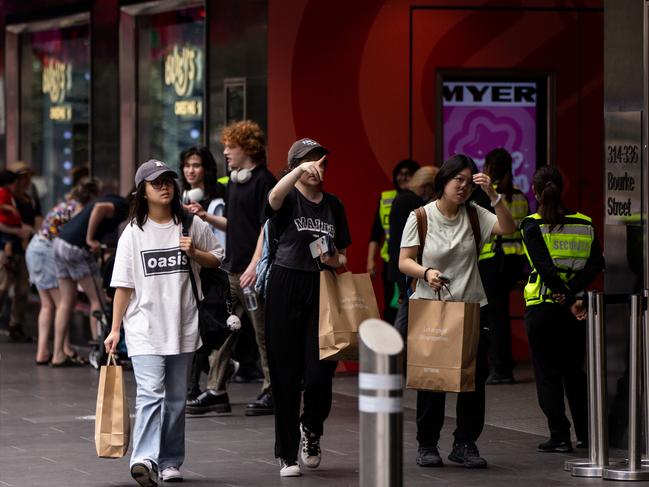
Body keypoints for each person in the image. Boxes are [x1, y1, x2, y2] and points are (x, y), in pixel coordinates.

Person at [104, 159, 223, 485]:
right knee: (150, 394)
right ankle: (143, 459)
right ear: (142, 190)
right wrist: (115, 329)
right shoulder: (132, 232)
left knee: (174, 400)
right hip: (144, 328)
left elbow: (217, 257)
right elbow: (123, 286)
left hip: (183, 325)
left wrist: (195, 253)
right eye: (156, 182)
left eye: (168, 180)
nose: (164, 186)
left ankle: (170, 460)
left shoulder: (189, 224)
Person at [399, 154, 516, 469]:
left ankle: (465, 443)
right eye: (458, 180)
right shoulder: (421, 216)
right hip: (432, 309)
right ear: (444, 181)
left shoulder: (477, 214)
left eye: (469, 181)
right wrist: (426, 273)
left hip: (473, 308)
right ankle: (427, 444)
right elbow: (404, 260)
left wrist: (493, 196)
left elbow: (508, 227)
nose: (463, 187)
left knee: (473, 382)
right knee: (432, 380)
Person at [265, 138, 351, 477]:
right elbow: (273, 198)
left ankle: (311, 428)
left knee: (320, 374)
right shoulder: (287, 199)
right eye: (307, 162)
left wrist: (334, 259)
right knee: (285, 375)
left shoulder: (334, 205)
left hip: (322, 288)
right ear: (294, 166)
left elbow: (343, 257)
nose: (316, 168)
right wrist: (298, 170)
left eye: (320, 162)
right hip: (285, 285)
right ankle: (286, 454)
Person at [186, 120, 276, 416]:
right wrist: (206, 217)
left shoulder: (264, 181)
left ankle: (272, 390)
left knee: (263, 335)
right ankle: (217, 390)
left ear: (247, 149)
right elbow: (235, 225)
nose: (225, 152)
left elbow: (267, 227)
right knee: (222, 330)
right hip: (233, 270)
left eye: (230, 147)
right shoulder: (235, 181)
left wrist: (253, 266)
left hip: (253, 273)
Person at [520, 166, 603, 453]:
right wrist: (574, 298)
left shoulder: (531, 224)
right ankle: (586, 435)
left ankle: (559, 436)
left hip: (543, 308)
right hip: (576, 309)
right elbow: (596, 264)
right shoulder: (585, 222)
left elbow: (544, 268)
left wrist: (563, 297)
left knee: (547, 374)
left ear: (534, 190)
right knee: (574, 373)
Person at [26, 180, 100, 365]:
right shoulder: (79, 209)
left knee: (48, 305)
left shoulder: (66, 204)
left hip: (36, 247)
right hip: (46, 251)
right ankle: (62, 351)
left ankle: (44, 351)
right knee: (63, 305)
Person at [51, 190, 129, 366]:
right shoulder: (122, 206)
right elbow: (99, 209)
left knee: (66, 301)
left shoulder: (110, 197)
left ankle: (57, 354)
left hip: (61, 243)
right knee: (98, 299)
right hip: (76, 248)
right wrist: (90, 238)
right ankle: (101, 350)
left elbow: (94, 208)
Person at [477, 148, 530, 385]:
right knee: (501, 313)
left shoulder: (489, 195)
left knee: (495, 316)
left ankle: (500, 368)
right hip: (515, 261)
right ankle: (504, 363)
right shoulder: (520, 196)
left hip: (493, 261)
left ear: (488, 168)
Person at [367, 159, 420, 323]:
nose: (403, 177)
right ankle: (392, 343)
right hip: (390, 262)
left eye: (408, 174)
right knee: (393, 304)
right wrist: (370, 261)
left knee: (411, 306)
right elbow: (376, 233)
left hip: (413, 261)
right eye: (400, 174)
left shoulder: (420, 199)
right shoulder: (386, 198)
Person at [388, 165, 437, 338]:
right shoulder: (414, 203)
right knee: (404, 317)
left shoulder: (401, 199)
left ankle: (395, 359)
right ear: (428, 186)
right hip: (411, 270)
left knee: (405, 315)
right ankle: (393, 359)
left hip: (402, 267)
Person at [1, 161, 41, 342]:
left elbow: (38, 220)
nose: (25, 182)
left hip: (25, 249)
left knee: (22, 290)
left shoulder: (30, 199)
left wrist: (33, 232)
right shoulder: (4, 196)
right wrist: (17, 231)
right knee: (2, 287)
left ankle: (16, 324)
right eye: (22, 178)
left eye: (27, 178)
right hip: (4, 248)